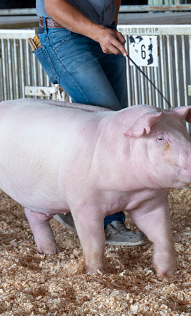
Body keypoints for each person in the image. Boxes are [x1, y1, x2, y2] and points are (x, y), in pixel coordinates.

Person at [34, 0, 148, 246]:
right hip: (64, 34)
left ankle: (73, 204)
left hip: (102, 32)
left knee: (114, 122)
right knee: (111, 127)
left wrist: (108, 26)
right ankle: (106, 221)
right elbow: (53, 5)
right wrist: (99, 31)